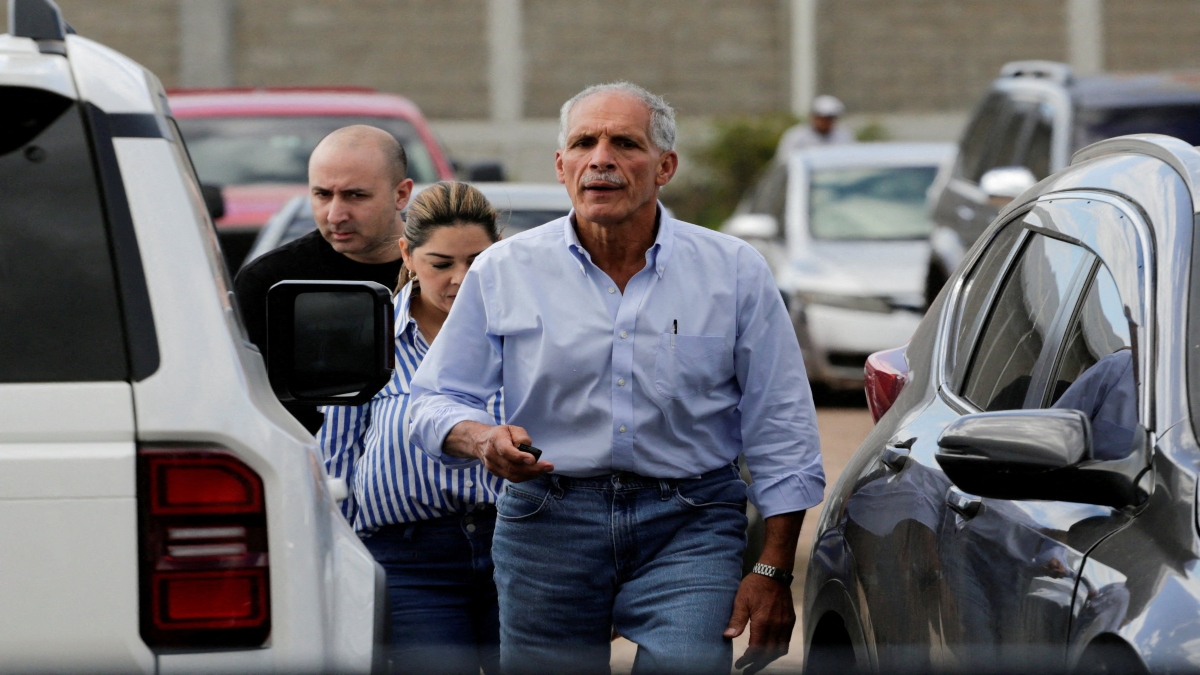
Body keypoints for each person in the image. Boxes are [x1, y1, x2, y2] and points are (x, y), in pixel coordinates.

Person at [409, 82, 825, 675]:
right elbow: (435, 399)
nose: (600, 157)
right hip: (545, 522)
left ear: (665, 167)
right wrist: (482, 440)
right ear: (562, 166)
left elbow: (781, 423)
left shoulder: (732, 272)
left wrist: (773, 568)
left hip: (690, 520)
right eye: (584, 142)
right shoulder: (506, 268)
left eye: (624, 143)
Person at [320, 182, 504, 674]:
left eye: (477, 262)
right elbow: (336, 459)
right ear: (407, 253)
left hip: (517, 551)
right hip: (408, 561)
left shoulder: (525, 334)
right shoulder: (368, 337)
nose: (460, 280)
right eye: (441, 264)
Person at [234, 125, 413, 432]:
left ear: (401, 194)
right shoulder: (267, 283)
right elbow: (243, 402)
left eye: (355, 195)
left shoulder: (445, 275)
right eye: (322, 195)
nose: (335, 214)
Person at [776, 94, 853, 159]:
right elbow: (785, 160)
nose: (825, 122)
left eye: (829, 118)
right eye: (821, 118)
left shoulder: (844, 135)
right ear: (813, 117)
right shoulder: (796, 135)